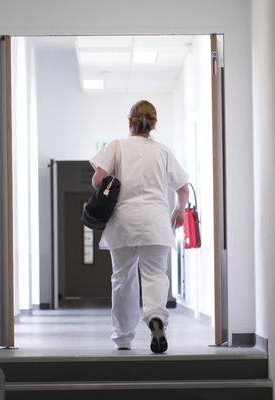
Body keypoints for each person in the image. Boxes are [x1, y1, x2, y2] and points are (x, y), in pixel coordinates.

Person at [89, 100, 189, 353]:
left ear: (129, 122)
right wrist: (178, 210)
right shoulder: (162, 151)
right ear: (153, 125)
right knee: (155, 275)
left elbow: (98, 179)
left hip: (124, 223)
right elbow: (183, 188)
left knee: (123, 279)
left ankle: (123, 337)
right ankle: (156, 318)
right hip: (156, 222)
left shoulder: (117, 147)